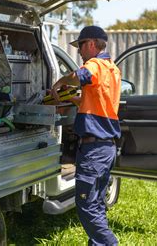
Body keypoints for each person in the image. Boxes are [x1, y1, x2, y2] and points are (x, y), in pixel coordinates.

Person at [51, 25, 121, 245]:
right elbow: (99, 101)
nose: (79, 52)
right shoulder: (112, 69)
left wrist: (61, 82)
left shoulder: (95, 64)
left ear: (91, 44)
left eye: (80, 46)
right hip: (106, 148)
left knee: (87, 207)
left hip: (93, 150)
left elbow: (80, 76)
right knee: (97, 203)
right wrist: (74, 101)